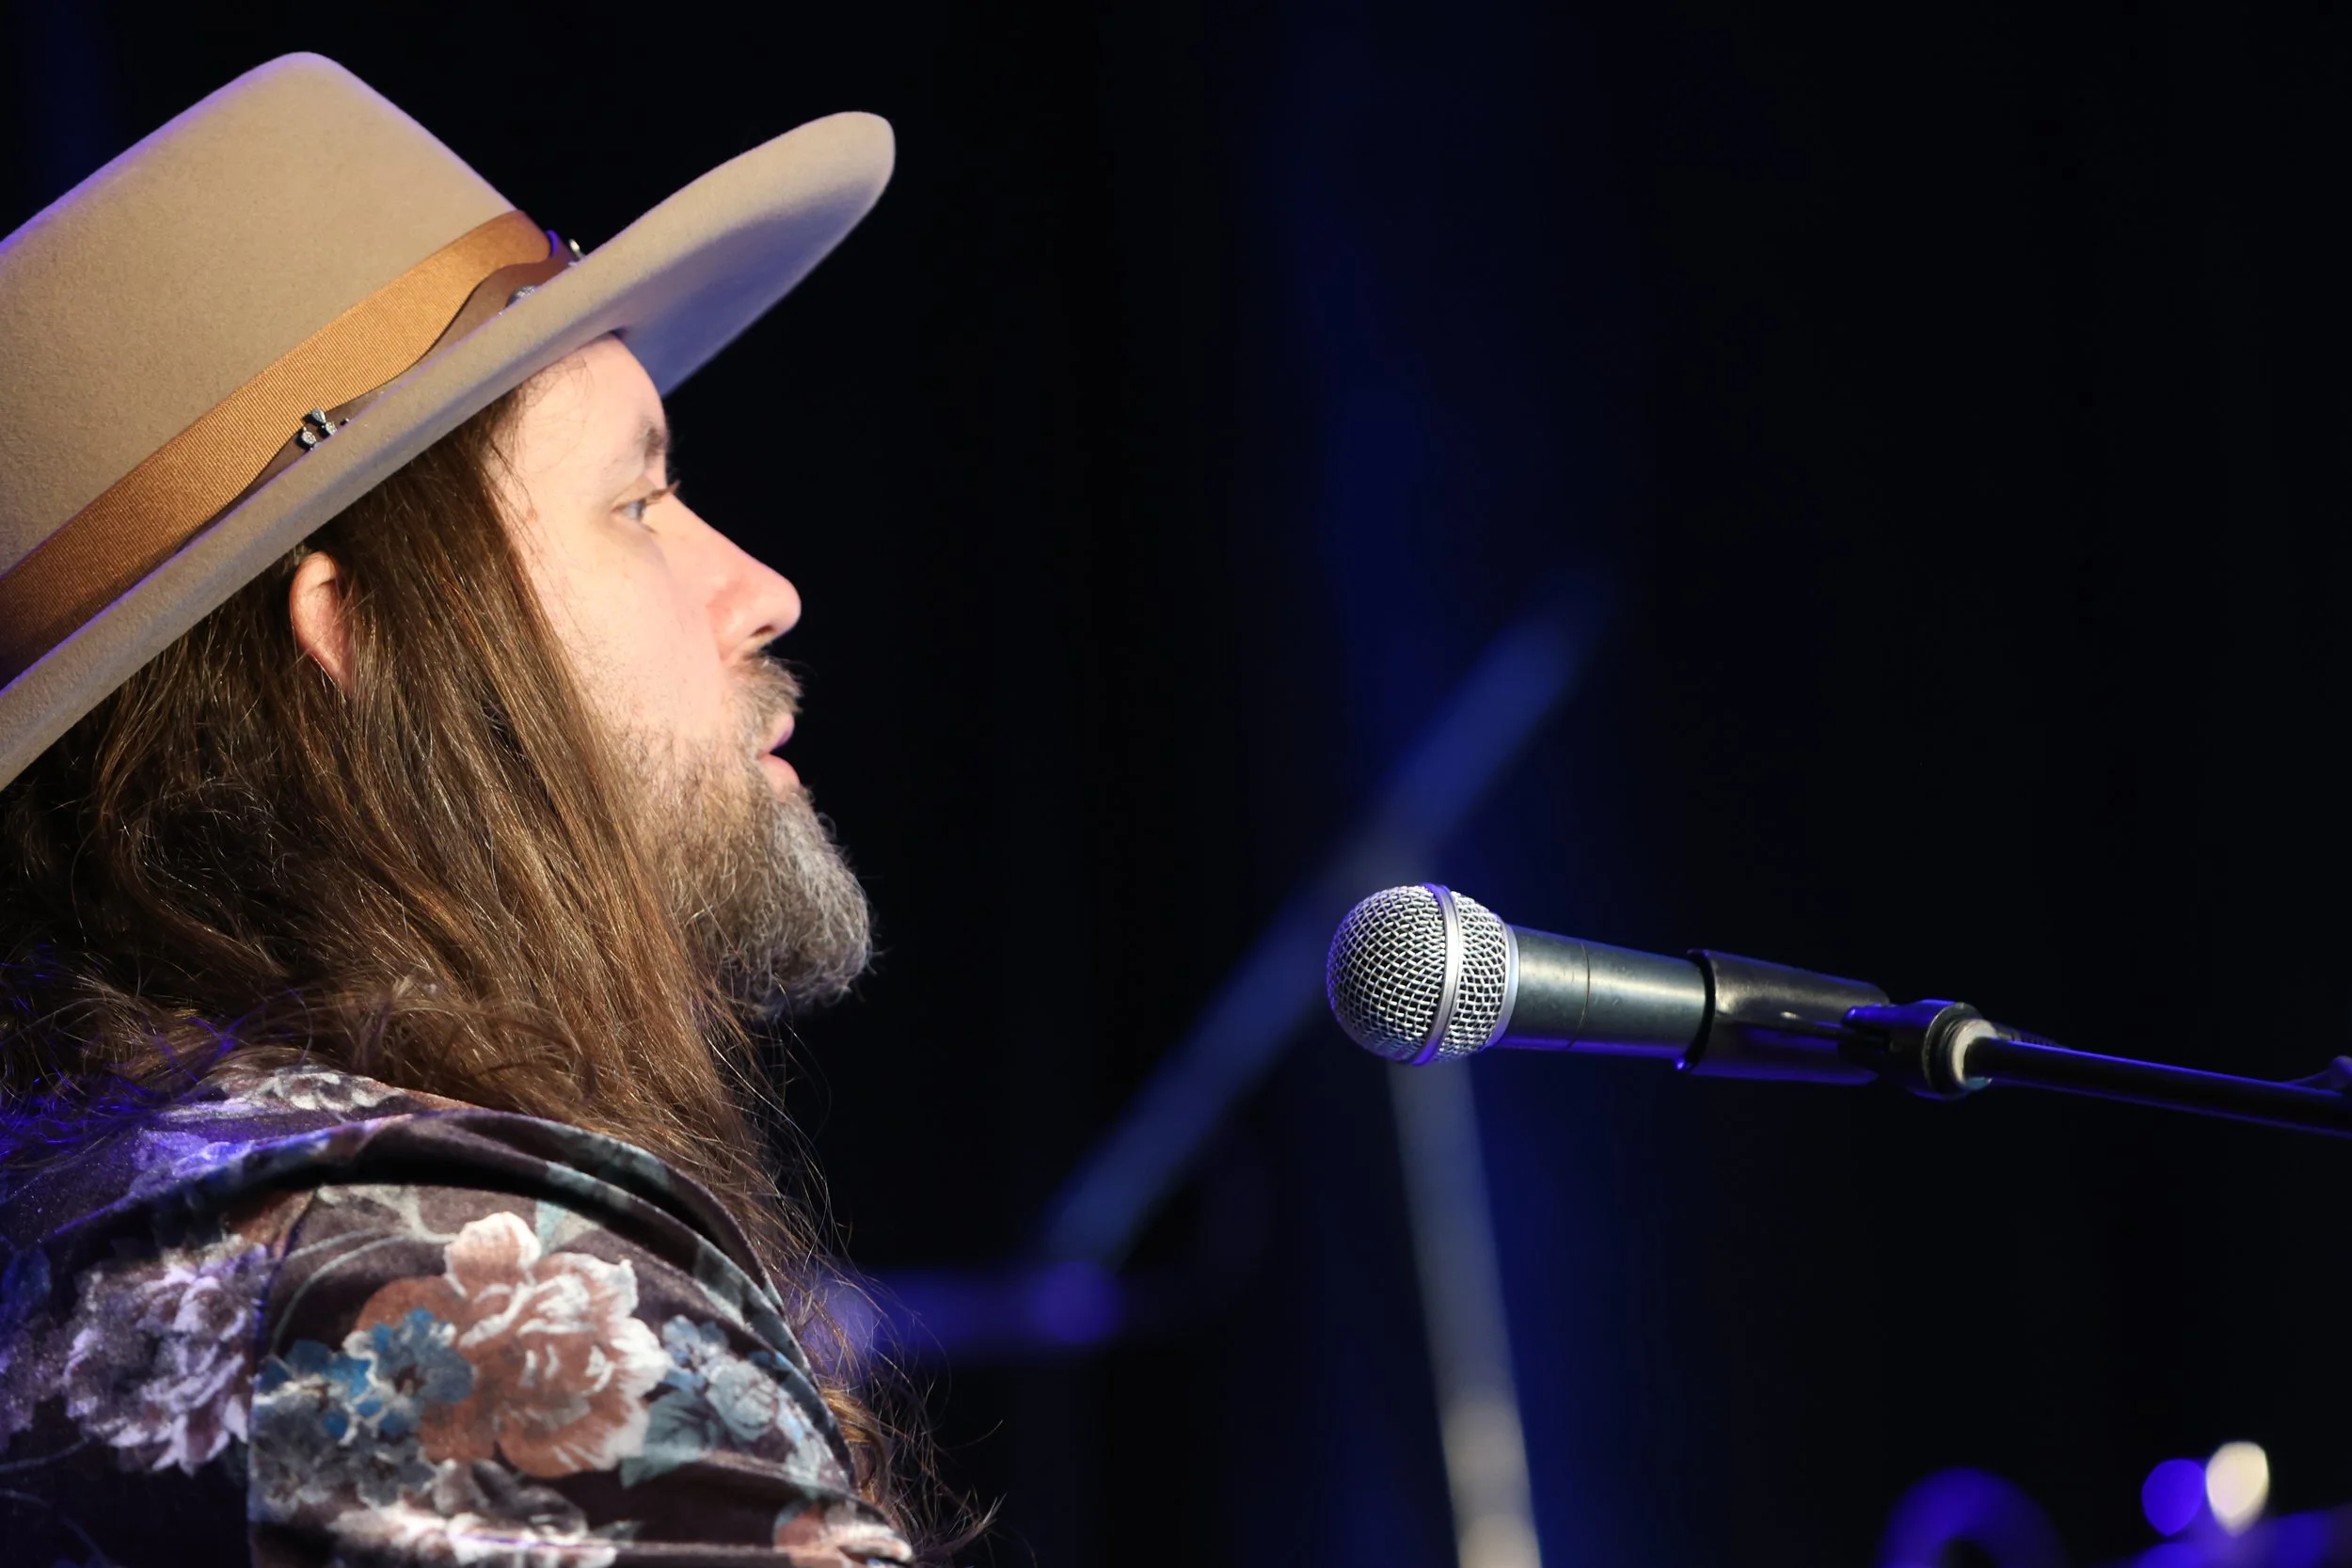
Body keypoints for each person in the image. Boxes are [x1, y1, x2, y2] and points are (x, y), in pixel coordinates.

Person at [0, 54, 947, 1567]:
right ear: (364, 636)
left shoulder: (141, 1235)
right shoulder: (436, 1314)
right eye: (634, 504)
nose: (759, 590)